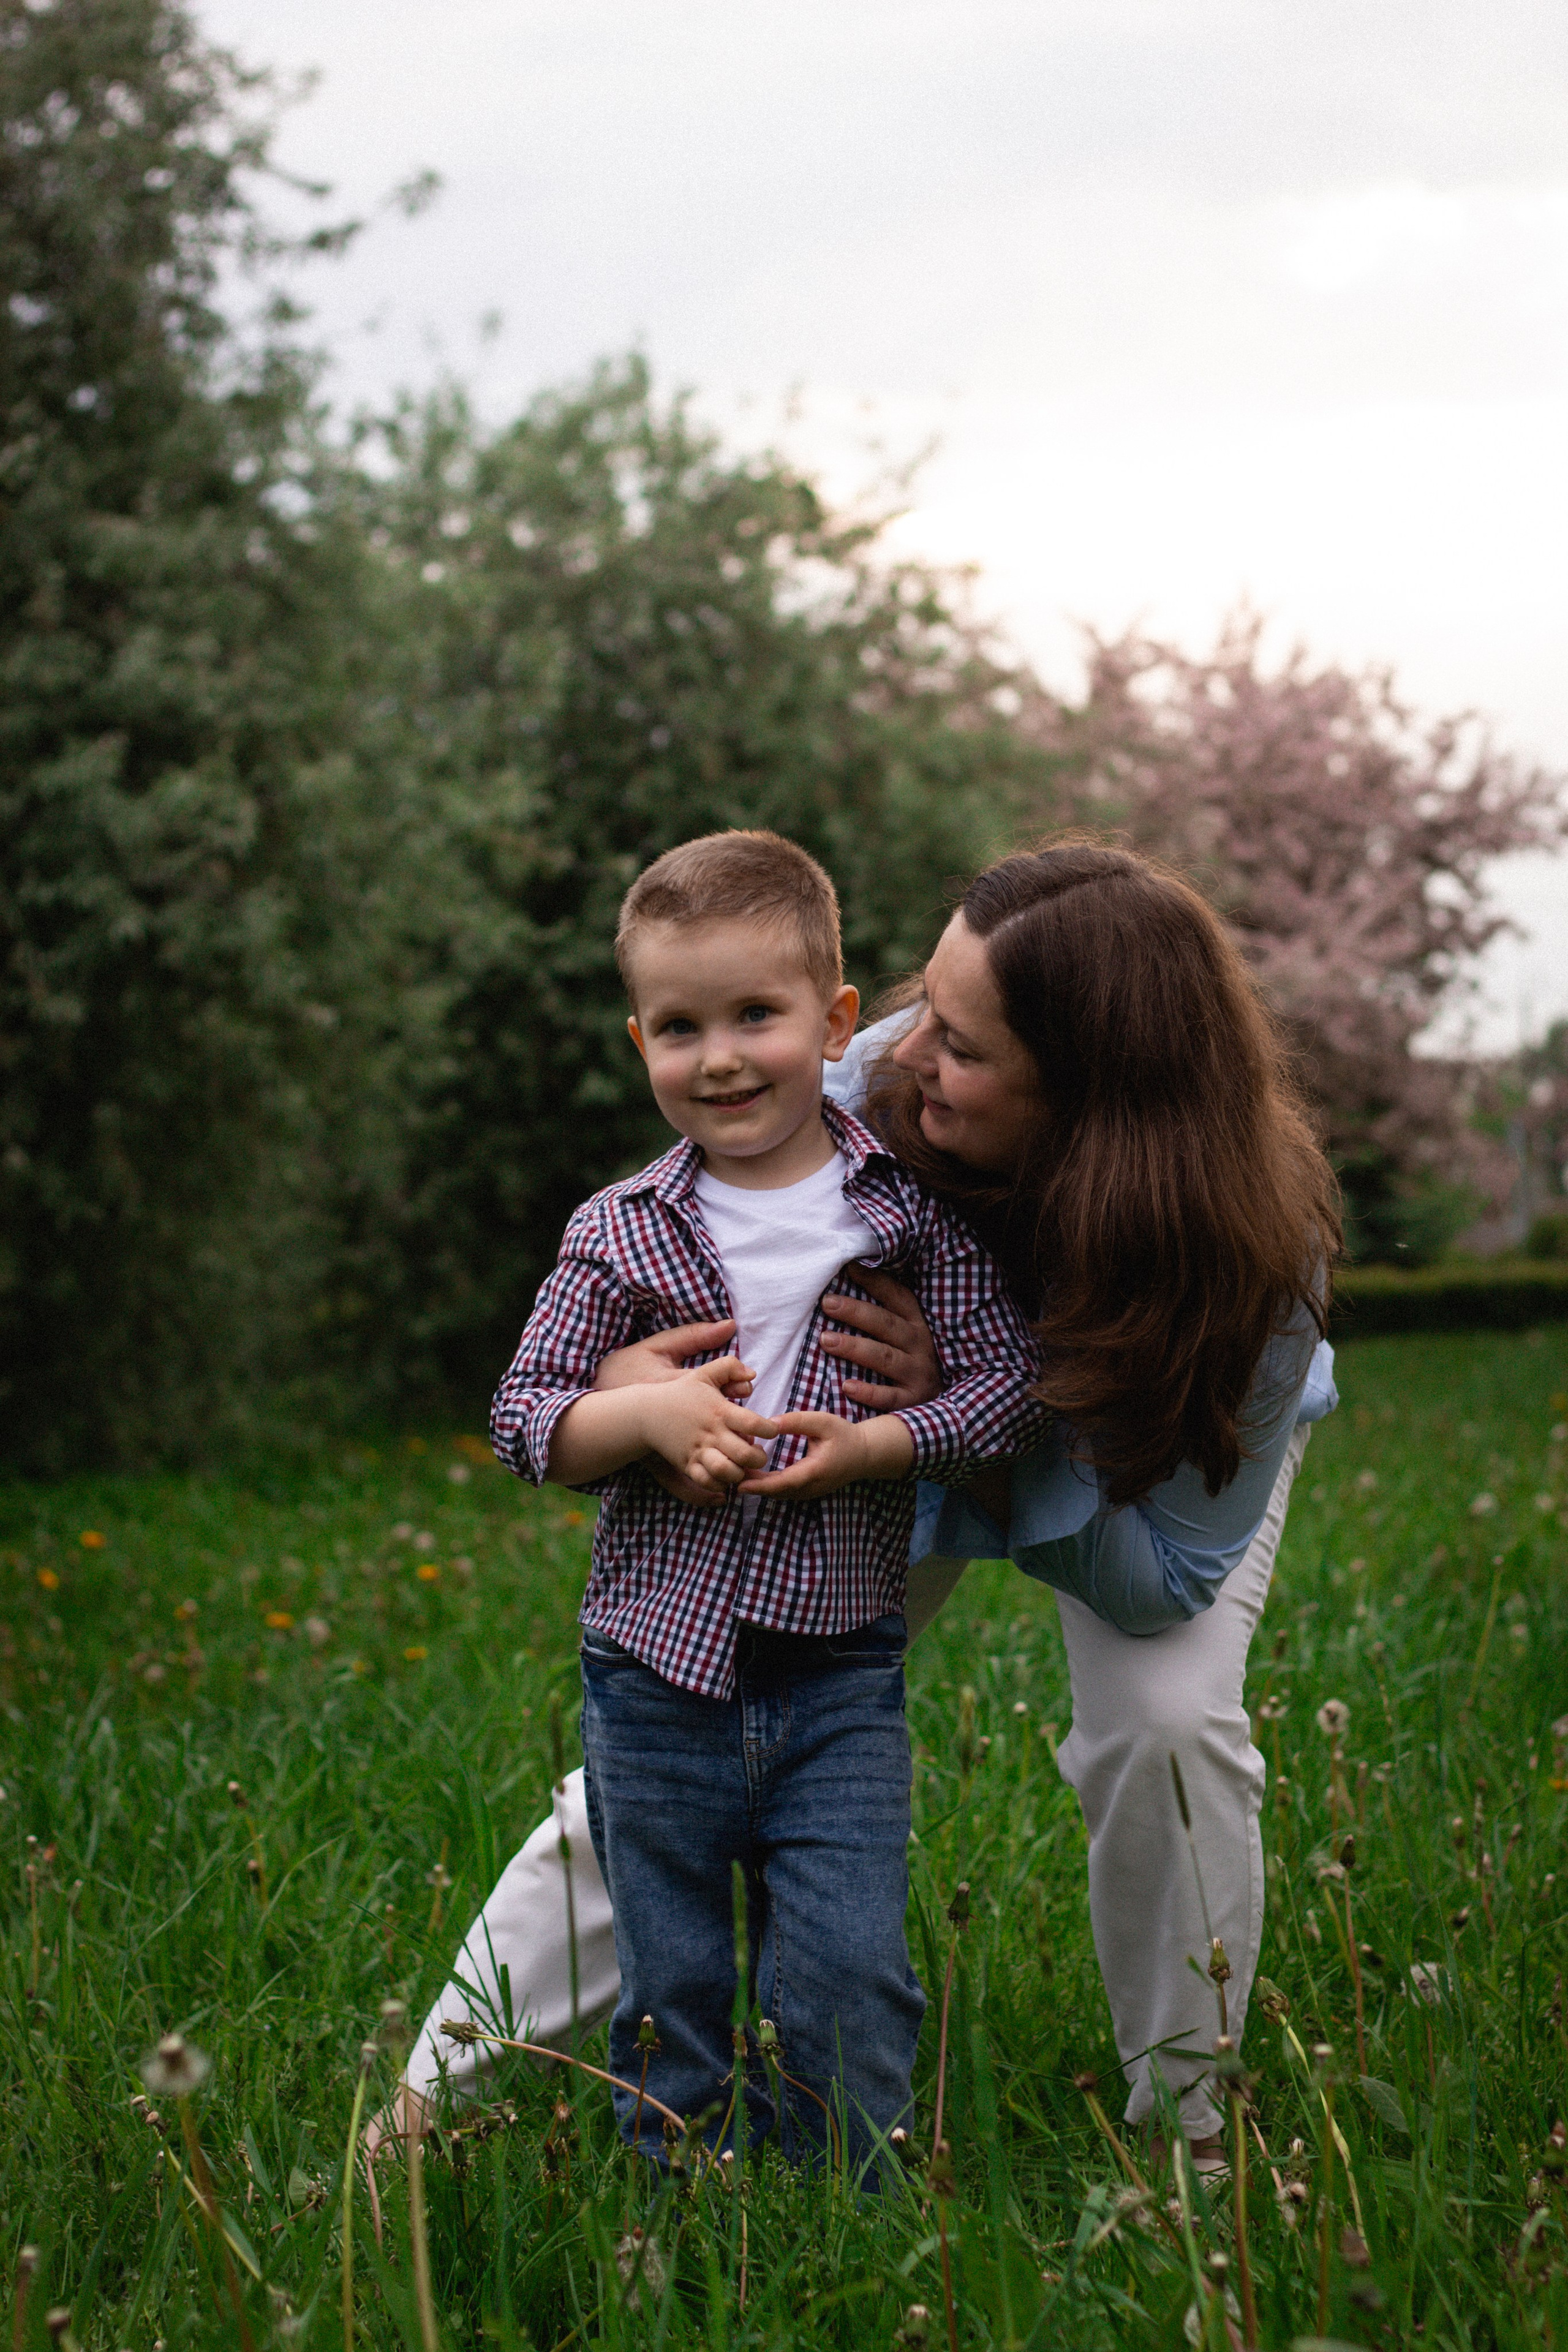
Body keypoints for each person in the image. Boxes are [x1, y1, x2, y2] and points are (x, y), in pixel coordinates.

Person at [399, 839, 1340, 2165]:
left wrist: (957, 1419)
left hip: (1117, 1467)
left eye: (958, 1047)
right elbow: (665, 1269)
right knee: (680, 1726)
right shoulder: (862, 1083)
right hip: (848, 1445)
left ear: (1085, 1095)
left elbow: (1158, 1580)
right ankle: (431, 2095)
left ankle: (1191, 2140)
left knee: (1166, 1727)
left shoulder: (1242, 1261)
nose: (898, 1058)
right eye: (917, 1012)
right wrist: (622, 1386)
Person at [486, 830, 1050, 2163]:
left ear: (836, 1020)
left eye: (757, 1014)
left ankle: (840, 2213)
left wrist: (883, 1447)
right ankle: (669, 2212)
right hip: (651, 1674)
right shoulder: (617, 1229)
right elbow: (524, 1420)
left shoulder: (902, 1216)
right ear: (639, 1044)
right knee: (670, 1983)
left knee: (850, 1971)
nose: (722, 1056)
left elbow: (1006, 1388)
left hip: (838, 1675)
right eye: (680, 1027)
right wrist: (641, 1416)